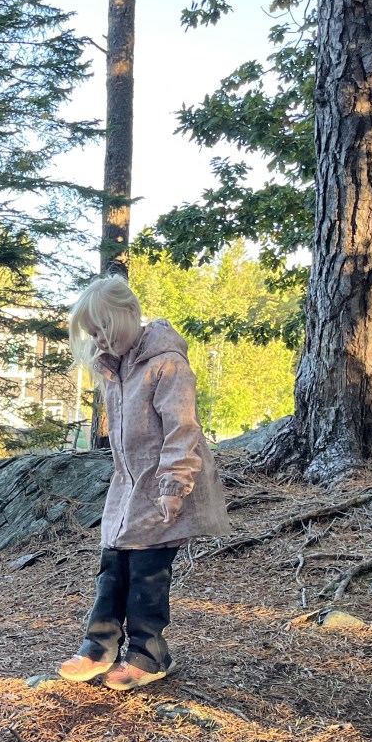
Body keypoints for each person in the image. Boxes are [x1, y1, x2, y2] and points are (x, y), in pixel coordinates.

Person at [57, 275, 229, 691]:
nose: (99, 339)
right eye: (92, 333)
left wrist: (173, 486)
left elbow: (182, 429)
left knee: (147, 572)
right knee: (112, 566)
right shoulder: (114, 367)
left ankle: (149, 655)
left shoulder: (166, 363)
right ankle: (98, 647)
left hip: (163, 484)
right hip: (127, 487)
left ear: (130, 313)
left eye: (104, 328)